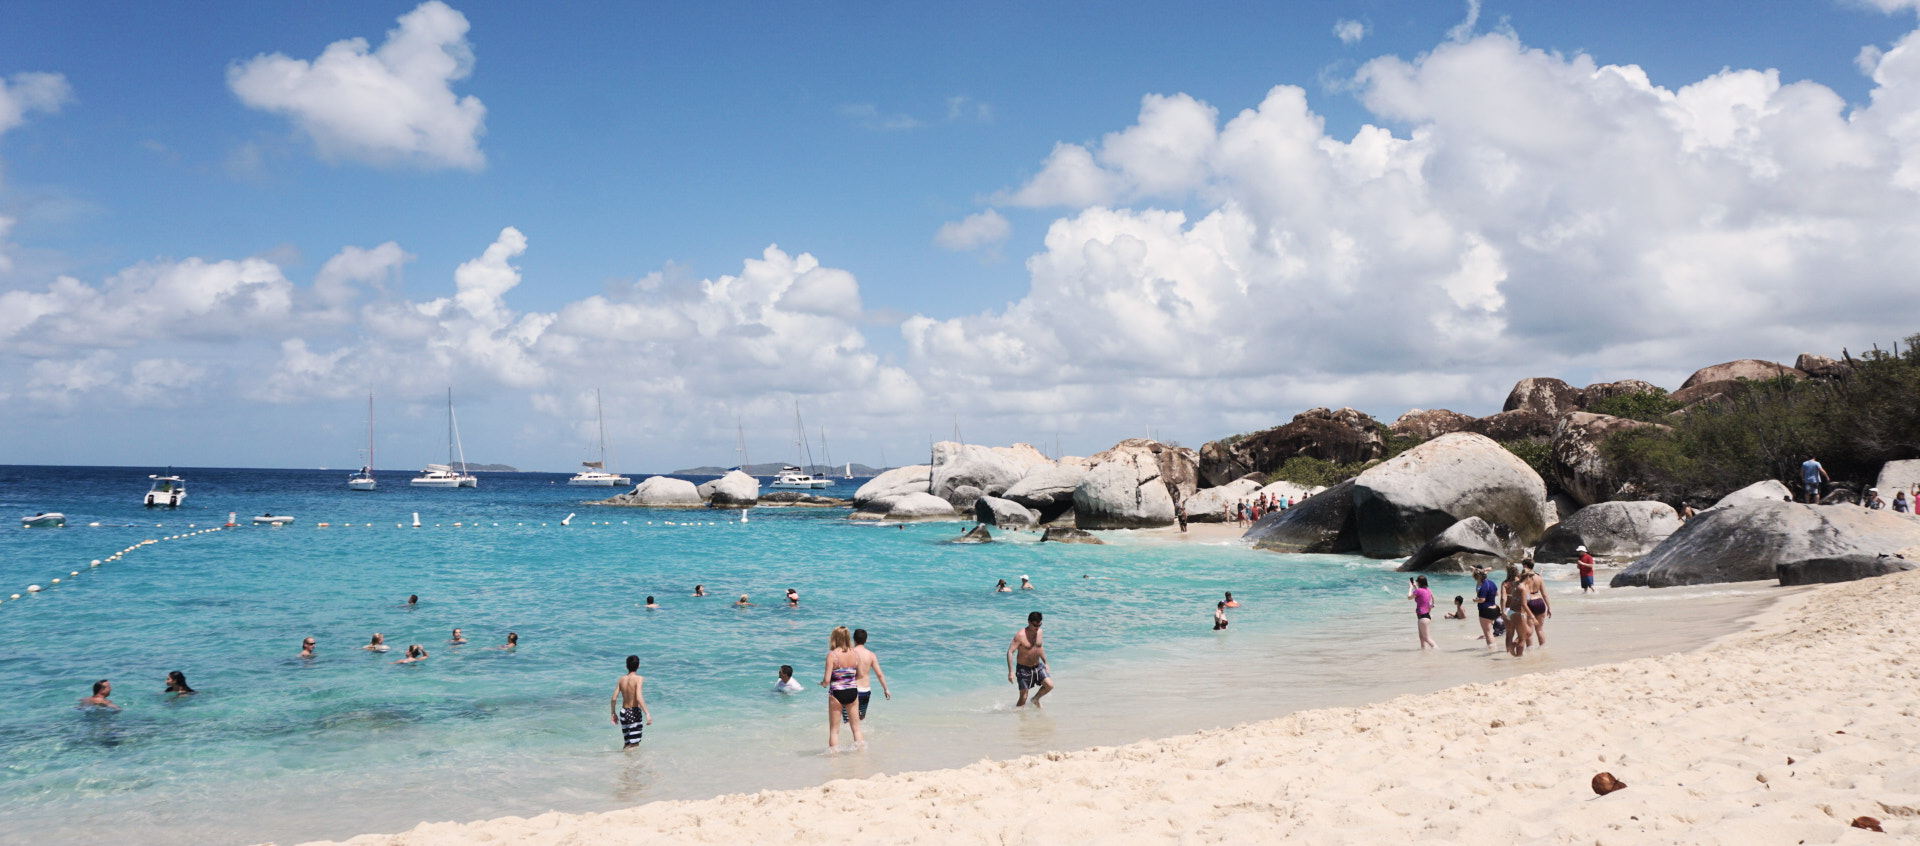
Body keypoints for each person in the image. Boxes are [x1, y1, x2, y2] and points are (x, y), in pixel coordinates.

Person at [821, 626, 864, 751]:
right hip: (852, 691)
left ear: (835, 638)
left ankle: (834, 759)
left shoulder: (832, 655)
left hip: (836, 693)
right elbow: (860, 675)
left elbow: (827, 680)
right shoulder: (855, 654)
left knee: (834, 731)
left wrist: (823, 684)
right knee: (856, 728)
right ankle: (861, 754)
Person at [1006, 611, 1054, 708]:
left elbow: (1040, 647)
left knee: (1049, 685)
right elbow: (1010, 652)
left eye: (1039, 625)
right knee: (1023, 697)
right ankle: (1019, 717)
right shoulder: (1020, 635)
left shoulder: (1039, 632)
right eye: (1035, 625)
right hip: (1023, 669)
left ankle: (1035, 699)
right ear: (1029, 622)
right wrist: (1010, 672)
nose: (1037, 628)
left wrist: (1046, 662)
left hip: (1037, 666)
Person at [850, 629, 891, 722]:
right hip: (865, 691)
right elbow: (879, 674)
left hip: (852, 690)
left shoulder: (850, 653)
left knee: (848, 719)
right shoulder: (871, 655)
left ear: (854, 640)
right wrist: (886, 689)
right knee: (861, 718)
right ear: (866, 640)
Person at [611, 655, 650, 749]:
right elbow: (639, 697)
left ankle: (624, 761)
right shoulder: (639, 678)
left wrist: (613, 713)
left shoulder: (621, 679)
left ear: (626, 667)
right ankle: (632, 764)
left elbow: (614, 698)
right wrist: (647, 713)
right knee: (634, 744)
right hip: (633, 712)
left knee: (627, 743)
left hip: (623, 712)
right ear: (638, 666)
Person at [1500, 564, 1536, 658]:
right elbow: (1523, 602)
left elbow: (1503, 598)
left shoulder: (1505, 583)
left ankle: (1509, 650)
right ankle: (1517, 656)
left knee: (1510, 632)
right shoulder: (1519, 583)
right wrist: (1532, 616)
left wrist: (1503, 610)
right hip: (1518, 611)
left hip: (1508, 609)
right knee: (1523, 637)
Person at [1523, 560, 1552, 647]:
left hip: (1530, 602)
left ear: (1525, 565)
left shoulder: (1523, 577)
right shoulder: (1539, 578)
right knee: (1539, 629)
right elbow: (1544, 594)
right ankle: (1543, 649)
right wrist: (1549, 607)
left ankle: (1530, 650)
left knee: (1529, 629)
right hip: (1540, 602)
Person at [1407, 576, 1437, 649]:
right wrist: (1415, 587)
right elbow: (1421, 595)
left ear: (1419, 582)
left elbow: (1409, 597)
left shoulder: (1418, 591)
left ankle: (1438, 650)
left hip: (1422, 618)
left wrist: (1410, 587)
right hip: (1425, 616)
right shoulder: (1428, 590)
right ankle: (1424, 653)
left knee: (1427, 638)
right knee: (1422, 638)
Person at [1473, 569, 1500, 648]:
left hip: (1486, 610)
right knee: (1490, 632)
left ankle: (1491, 650)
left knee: (1487, 633)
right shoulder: (1492, 582)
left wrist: (1475, 600)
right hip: (1494, 608)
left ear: (1477, 578)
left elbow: (1482, 600)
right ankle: (1493, 647)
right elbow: (1497, 593)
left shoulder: (1483, 585)